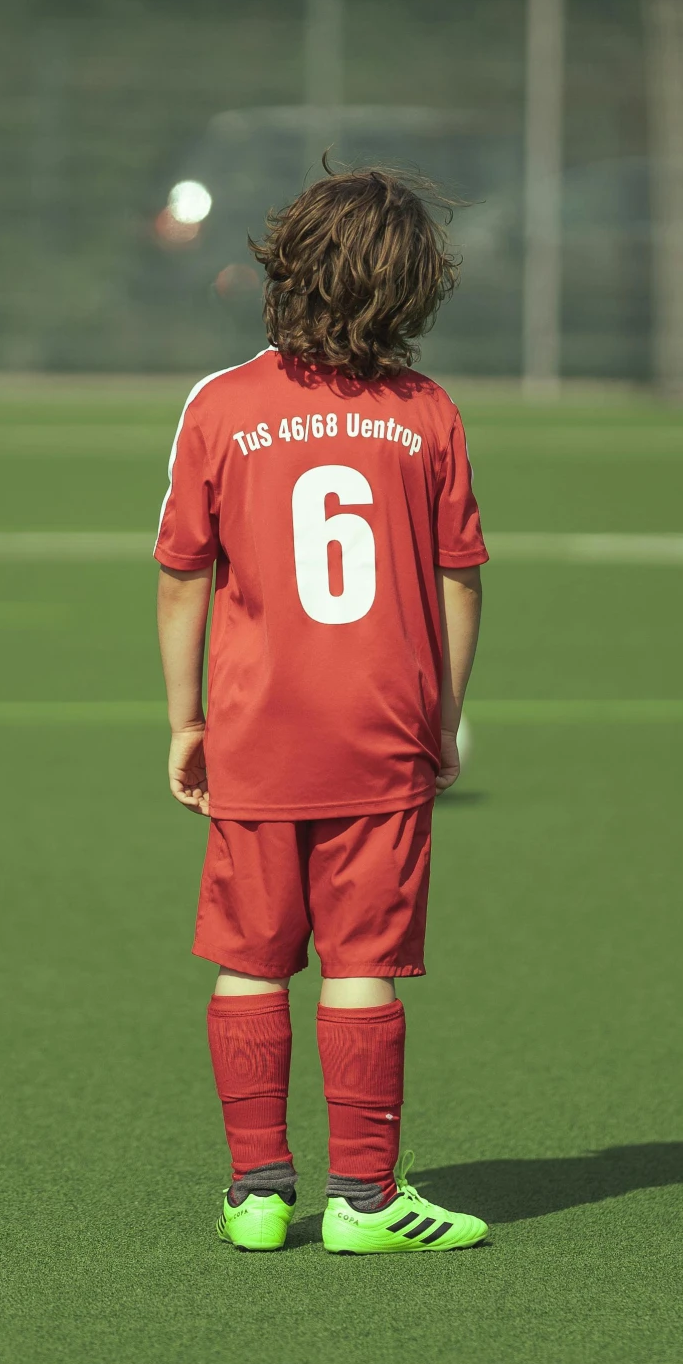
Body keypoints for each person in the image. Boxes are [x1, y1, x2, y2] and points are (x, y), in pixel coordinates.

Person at [153, 168, 489, 1254]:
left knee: (250, 955)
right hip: (381, 732)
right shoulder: (425, 414)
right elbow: (458, 577)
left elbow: (180, 574)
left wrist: (184, 719)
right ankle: (361, 1201)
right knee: (360, 965)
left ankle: (256, 1194)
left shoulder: (220, 406)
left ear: (283, 268)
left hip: (253, 730)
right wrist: (439, 719)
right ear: (410, 293)